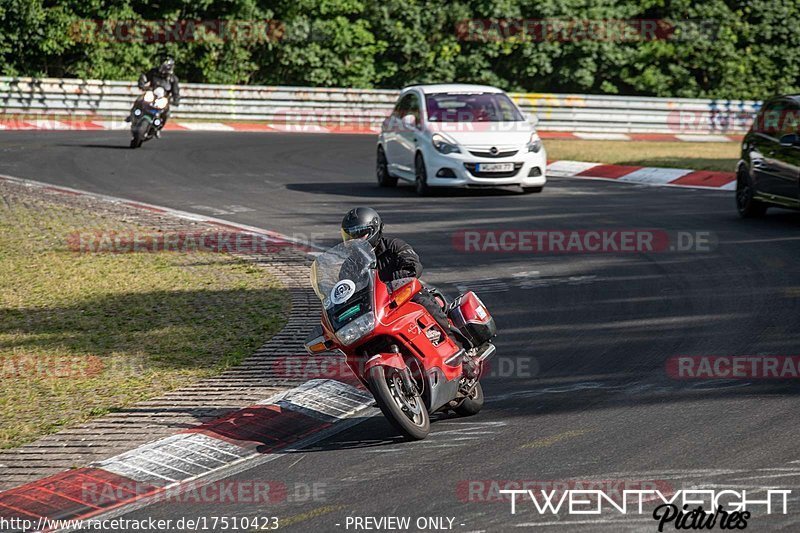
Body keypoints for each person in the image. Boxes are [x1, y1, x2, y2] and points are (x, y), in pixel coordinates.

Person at [340, 207, 462, 348]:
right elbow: (344, 289)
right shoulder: (350, 264)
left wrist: (395, 280)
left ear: (373, 230)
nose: (354, 240)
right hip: (373, 308)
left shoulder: (394, 246)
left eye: (359, 234)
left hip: (402, 295)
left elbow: (413, 266)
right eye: (350, 235)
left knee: (423, 299)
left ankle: (457, 346)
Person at [127, 58, 180, 137]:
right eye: (162, 66)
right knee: (139, 99)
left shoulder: (173, 79)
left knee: (166, 113)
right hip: (151, 94)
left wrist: (176, 100)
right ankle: (131, 115)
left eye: (165, 68)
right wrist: (141, 83)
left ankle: (158, 128)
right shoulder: (154, 72)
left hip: (163, 99)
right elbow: (144, 77)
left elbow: (176, 92)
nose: (163, 69)